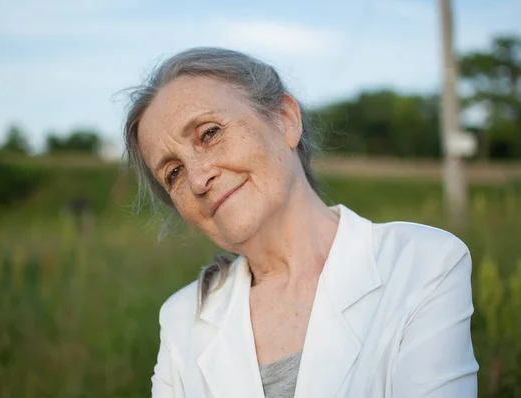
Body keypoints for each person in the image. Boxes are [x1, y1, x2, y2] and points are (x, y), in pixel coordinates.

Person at [122, 47, 479, 398]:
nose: (198, 179)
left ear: (285, 119)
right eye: (174, 173)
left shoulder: (423, 264)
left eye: (210, 133)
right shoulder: (181, 319)